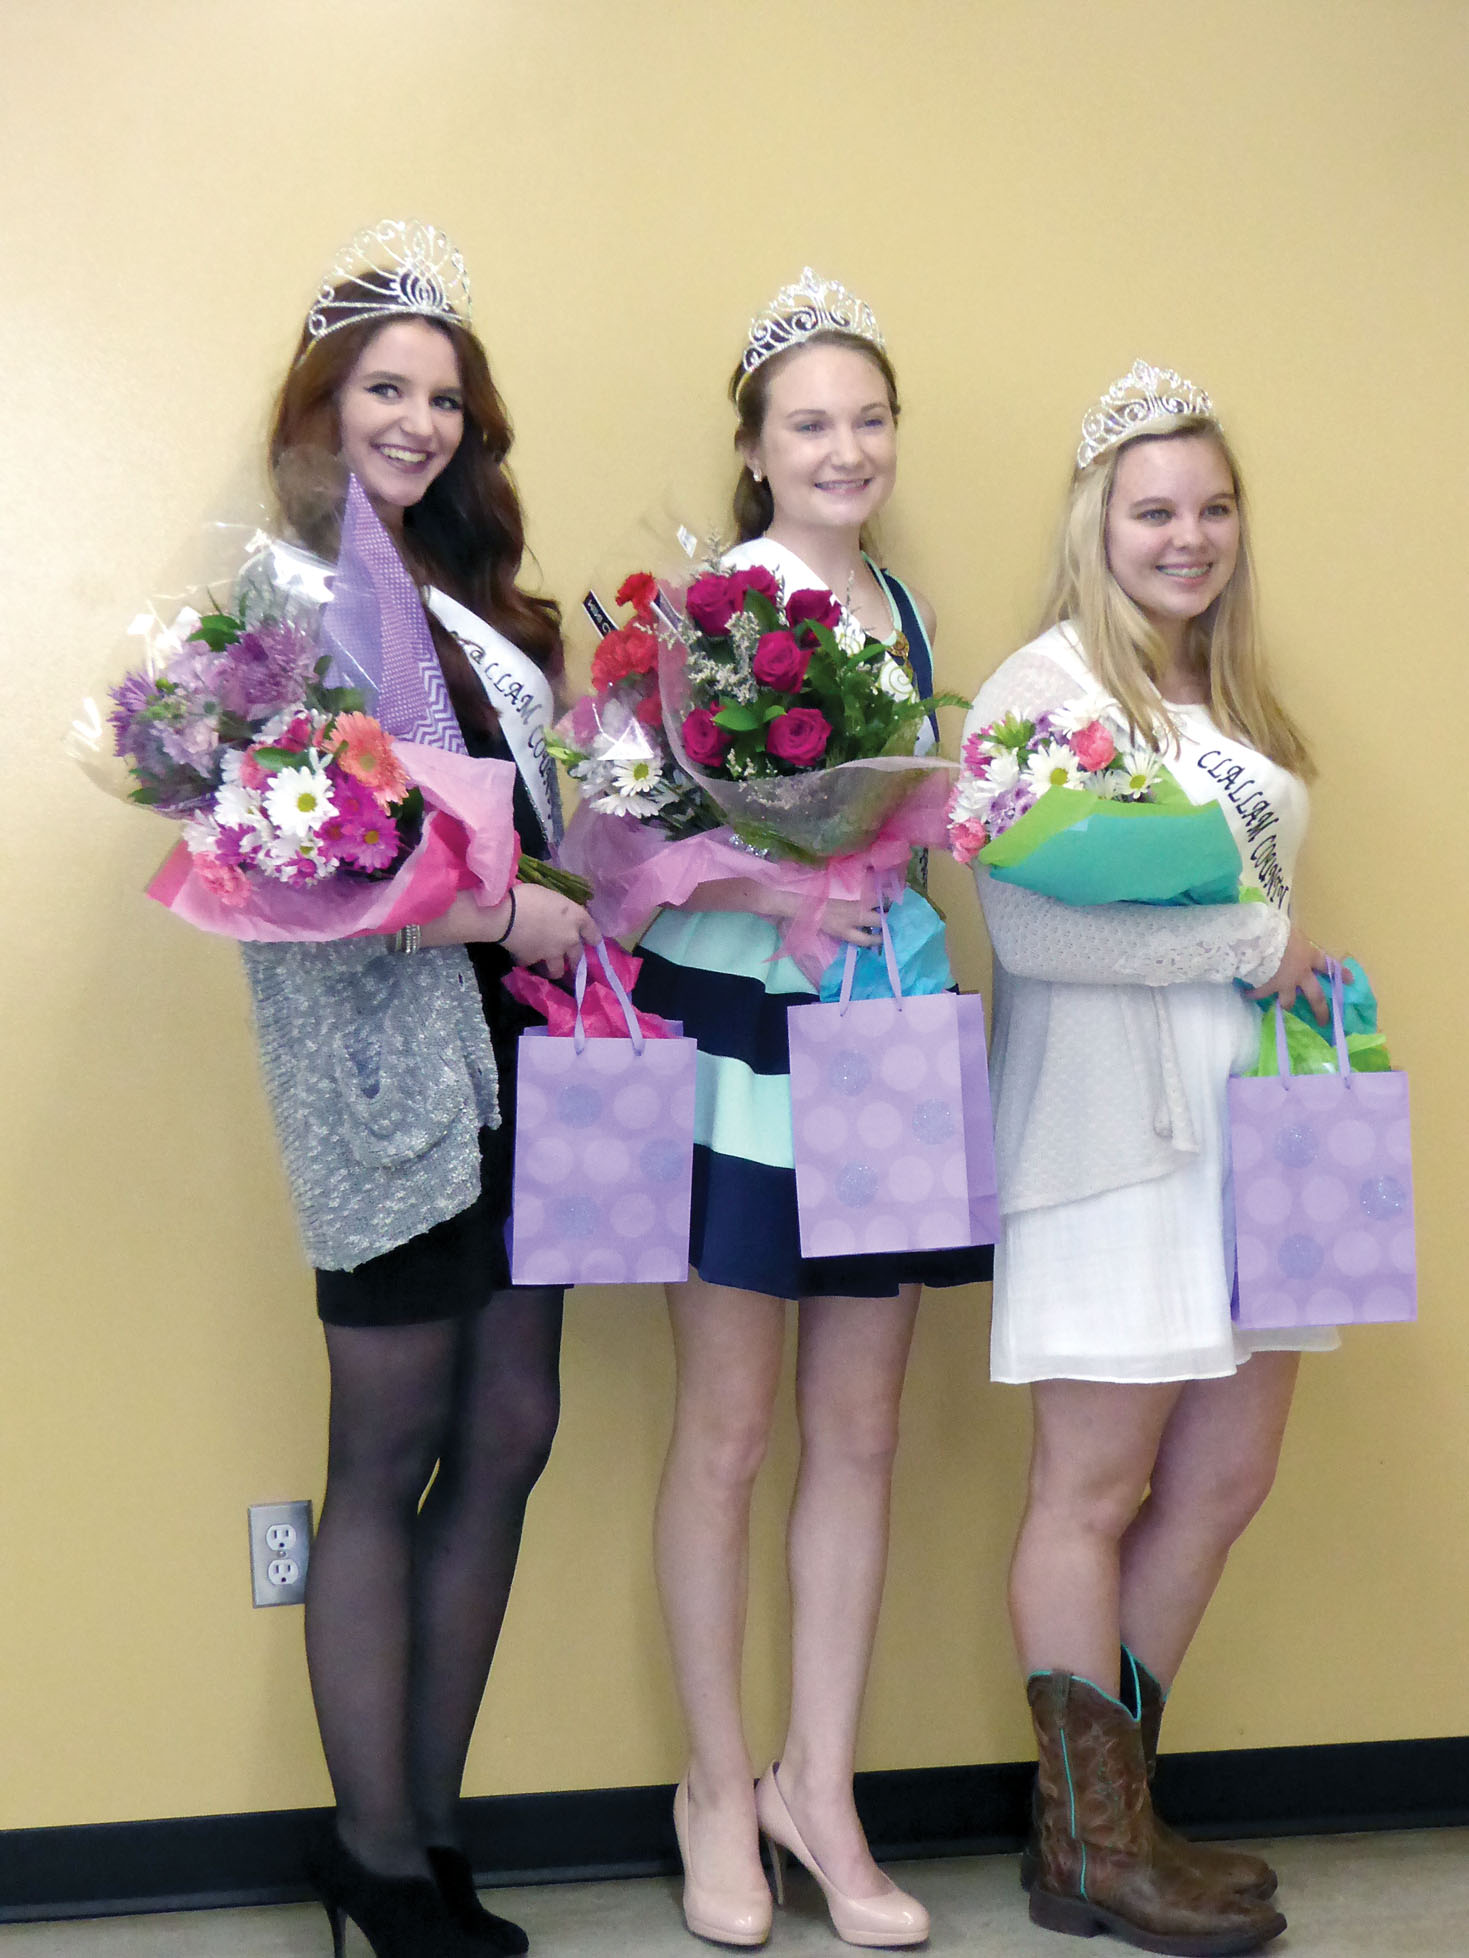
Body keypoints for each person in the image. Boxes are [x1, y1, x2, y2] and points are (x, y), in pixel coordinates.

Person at [237, 220, 597, 1958]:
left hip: (526, 1057)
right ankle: (376, 1858)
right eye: (386, 387)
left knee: (510, 1432)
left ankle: (434, 1829)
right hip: (383, 1068)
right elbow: (307, 846)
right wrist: (496, 897)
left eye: (444, 395)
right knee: (383, 1450)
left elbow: (521, 809)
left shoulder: (480, 604)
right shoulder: (274, 597)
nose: (419, 421)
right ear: (322, 403)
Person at [628, 270, 992, 1949]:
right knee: (731, 1430)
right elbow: (626, 852)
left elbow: (898, 821)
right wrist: (764, 895)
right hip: (741, 1037)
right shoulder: (714, 614)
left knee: (860, 1428)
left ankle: (816, 1785)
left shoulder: (903, 613)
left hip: (889, 1025)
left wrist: (964, 816)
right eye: (808, 424)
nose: (843, 447)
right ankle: (714, 1784)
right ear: (757, 451)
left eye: (866, 418)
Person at [967, 360, 1333, 1955]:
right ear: (1094, 523)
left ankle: (1105, 1815)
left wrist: (1267, 965)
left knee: (1226, 1471)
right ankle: (1096, 1847)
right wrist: (1243, 943)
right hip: (1113, 1138)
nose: (1188, 537)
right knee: (1095, 1483)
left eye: (1211, 506)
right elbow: (1030, 927)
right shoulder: (1037, 693)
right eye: (1153, 509)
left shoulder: (1232, 700)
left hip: (1250, 1133)